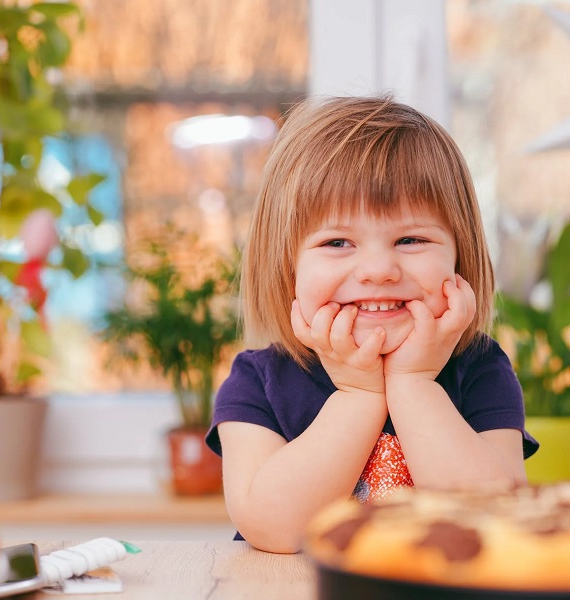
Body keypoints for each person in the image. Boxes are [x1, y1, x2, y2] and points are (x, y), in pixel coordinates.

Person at [205, 96, 538, 554]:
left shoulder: (480, 369)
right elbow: (273, 529)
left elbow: (494, 522)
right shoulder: (258, 381)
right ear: (288, 268)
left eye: (411, 239)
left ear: (460, 257)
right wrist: (359, 395)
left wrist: (414, 384)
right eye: (338, 241)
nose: (379, 269)